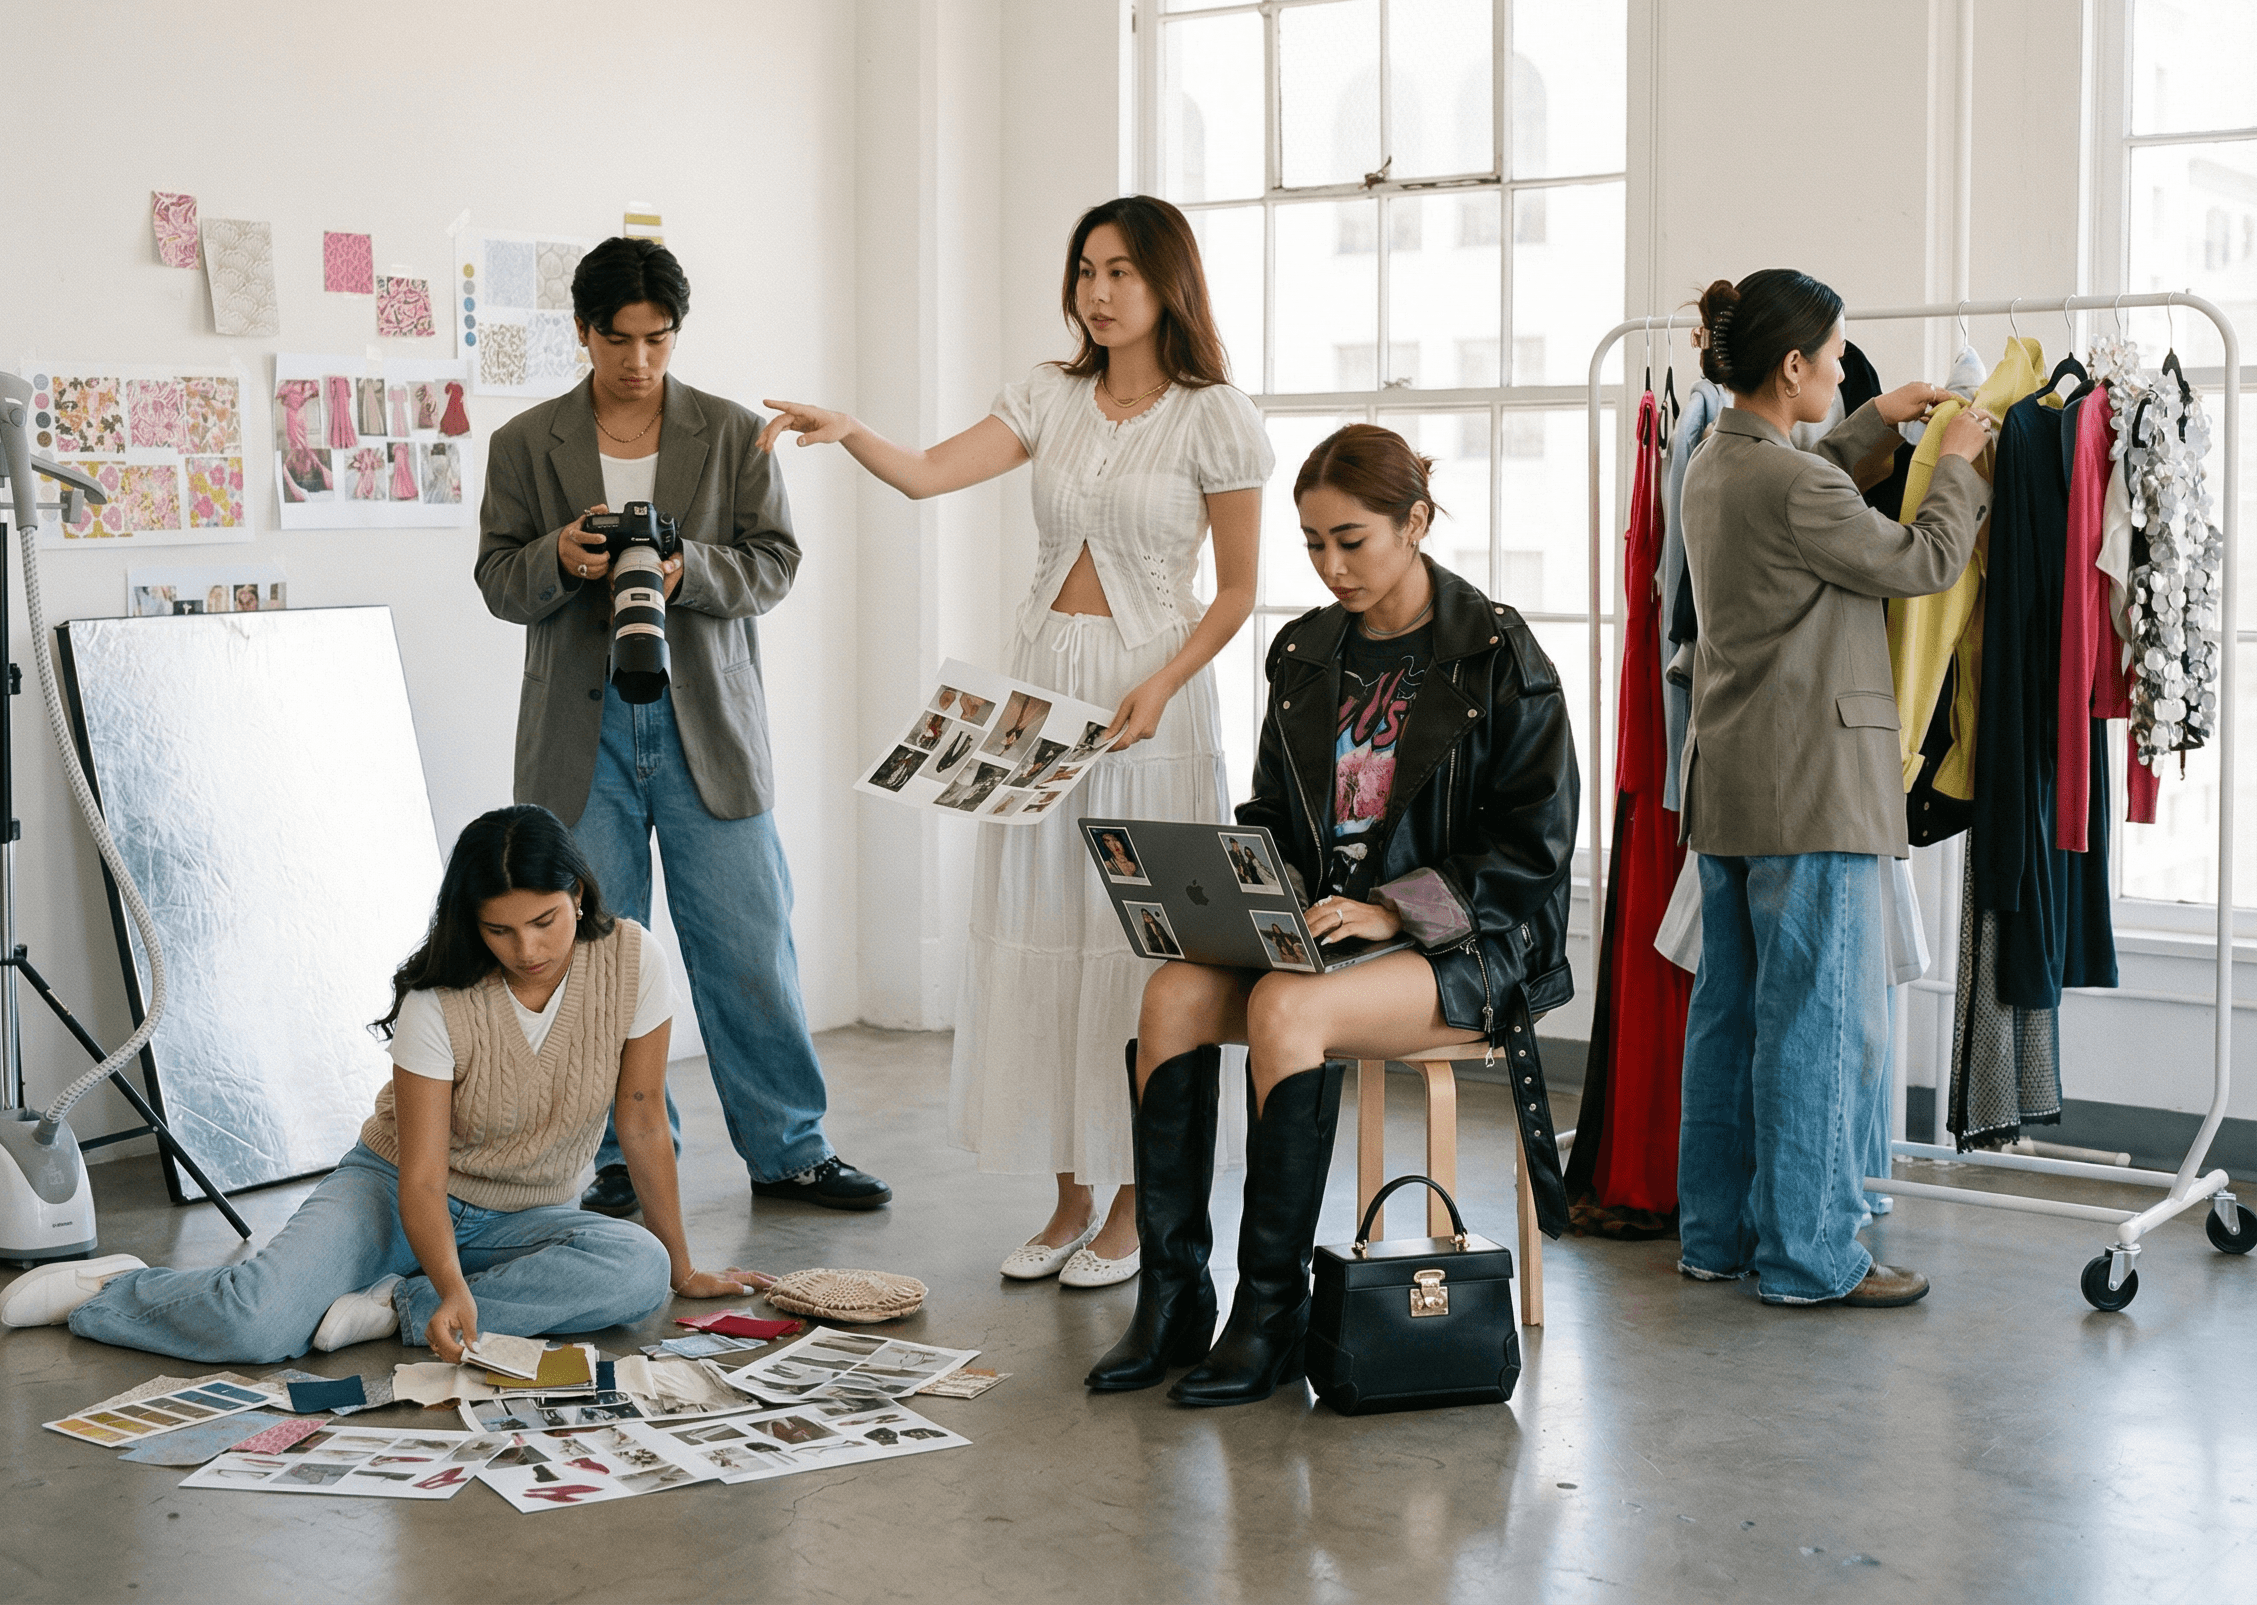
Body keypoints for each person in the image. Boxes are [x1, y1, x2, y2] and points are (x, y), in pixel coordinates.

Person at [760, 196, 1268, 1289]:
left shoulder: (1214, 414)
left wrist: (1162, 681)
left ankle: (1136, 1205)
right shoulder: (1049, 392)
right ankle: (1068, 1197)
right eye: (1086, 268)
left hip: (1154, 701)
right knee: (1045, 931)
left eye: (1123, 270)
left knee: (1137, 948)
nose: (1098, 289)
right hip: (1042, 689)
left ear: (1168, 280)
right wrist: (849, 431)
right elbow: (933, 471)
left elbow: (1235, 593)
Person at [1089, 424, 1579, 1406]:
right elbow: (1275, 811)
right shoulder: (1305, 653)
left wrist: (1390, 909)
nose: (1331, 564)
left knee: (1286, 1010)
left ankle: (1269, 1317)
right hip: (1320, 932)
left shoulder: (1497, 651)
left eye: (1352, 539)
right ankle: (1175, 1297)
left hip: (1467, 944)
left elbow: (1534, 847)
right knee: (1174, 991)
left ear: (1418, 522)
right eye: (1313, 542)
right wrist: (1243, 890)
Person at [0, 806, 767, 1358]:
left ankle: (395, 1306)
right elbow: (424, 1177)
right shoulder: (438, 1000)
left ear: (580, 898)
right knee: (258, 1327)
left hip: (526, 1215)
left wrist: (685, 1264)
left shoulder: (633, 959)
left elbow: (638, 1120)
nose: (527, 947)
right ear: (471, 921)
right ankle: (112, 1292)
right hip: (395, 1192)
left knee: (639, 1273)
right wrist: (448, 1274)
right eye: (500, 929)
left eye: (546, 921)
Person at [477, 238, 888, 1216]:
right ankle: (623, 1159)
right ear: (582, 332)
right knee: (602, 959)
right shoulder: (526, 443)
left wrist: (687, 569)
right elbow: (498, 579)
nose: (639, 362)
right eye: (619, 340)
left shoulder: (736, 434)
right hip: (584, 739)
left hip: (709, 724)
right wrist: (562, 559)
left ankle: (792, 1148)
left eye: (658, 340)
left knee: (750, 947)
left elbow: (776, 563)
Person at [1677, 270, 1993, 1309]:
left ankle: (1716, 1236)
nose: (1847, 364)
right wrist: (1954, 463)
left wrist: (1871, 425)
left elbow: (1805, 482)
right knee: (1812, 1022)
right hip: (1812, 786)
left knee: (1730, 1019)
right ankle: (1811, 1256)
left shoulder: (1722, 463)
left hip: (1733, 783)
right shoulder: (1793, 483)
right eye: (1837, 353)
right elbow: (1924, 559)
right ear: (1792, 365)